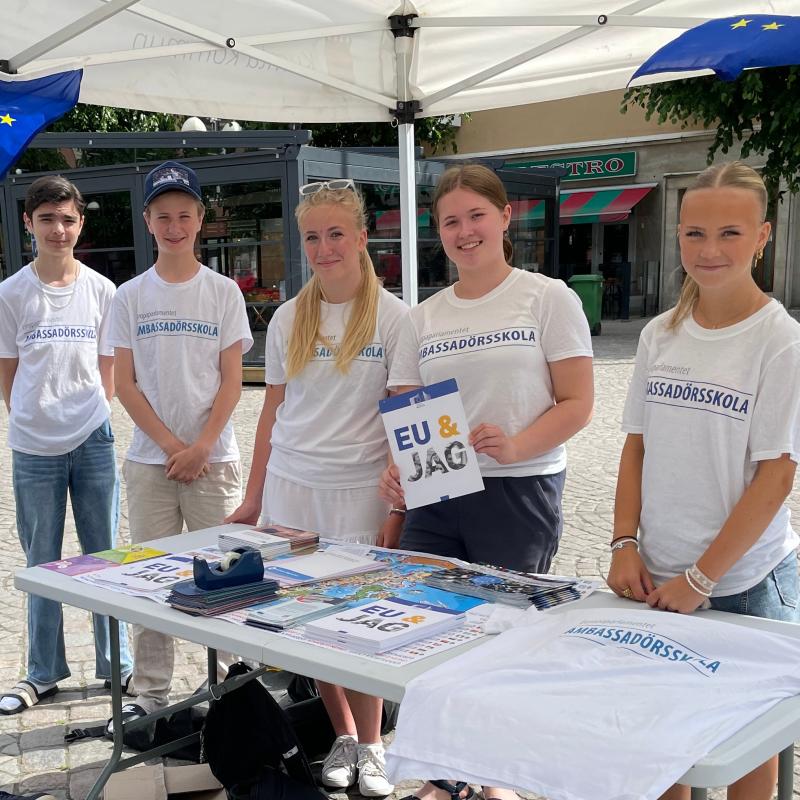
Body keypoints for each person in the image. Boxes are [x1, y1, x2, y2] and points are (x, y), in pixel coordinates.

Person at [379, 163, 594, 800]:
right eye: (451, 221)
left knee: (502, 641)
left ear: (505, 218)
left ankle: (493, 779)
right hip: (439, 492)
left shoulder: (548, 296)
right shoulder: (423, 318)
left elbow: (578, 401)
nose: (464, 231)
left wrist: (519, 444)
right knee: (426, 629)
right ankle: (442, 775)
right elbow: (406, 408)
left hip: (519, 490)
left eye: (477, 216)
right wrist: (402, 471)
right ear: (437, 232)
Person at [607, 161, 800, 800]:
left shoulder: (780, 341)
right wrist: (623, 543)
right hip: (658, 577)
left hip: (745, 581)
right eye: (694, 234)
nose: (709, 250)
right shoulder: (661, 334)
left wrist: (702, 579)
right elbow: (635, 447)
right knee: (663, 747)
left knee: (745, 757)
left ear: (763, 236)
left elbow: (776, 479)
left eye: (729, 234)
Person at [225, 178, 408, 797]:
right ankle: (344, 735)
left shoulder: (396, 317)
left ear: (361, 236)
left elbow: (402, 420)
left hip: (359, 493)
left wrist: (396, 507)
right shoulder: (286, 318)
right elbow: (272, 414)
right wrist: (253, 499)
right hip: (292, 490)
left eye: (336, 233)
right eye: (312, 236)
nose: (324, 248)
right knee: (310, 627)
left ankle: (376, 744)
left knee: (362, 626)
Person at [108, 160, 252, 726]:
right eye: (163, 215)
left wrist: (201, 446)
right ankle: (150, 696)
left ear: (200, 220)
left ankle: (233, 688)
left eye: (184, 215)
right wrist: (173, 446)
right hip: (151, 464)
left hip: (214, 461)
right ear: (148, 221)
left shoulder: (221, 293)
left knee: (227, 578)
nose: (174, 225)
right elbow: (125, 383)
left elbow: (233, 380)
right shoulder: (130, 297)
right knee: (150, 581)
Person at [0, 175, 132, 714]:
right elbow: (8, 373)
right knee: (42, 561)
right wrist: (35, 417)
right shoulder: (11, 293)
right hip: (34, 447)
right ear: (29, 223)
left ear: (81, 225)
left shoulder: (103, 290)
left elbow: (109, 370)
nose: (59, 229)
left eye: (69, 219)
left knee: (104, 558)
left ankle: (115, 667)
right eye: (48, 218)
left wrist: (91, 412)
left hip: (93, 440)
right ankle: (43, 671)